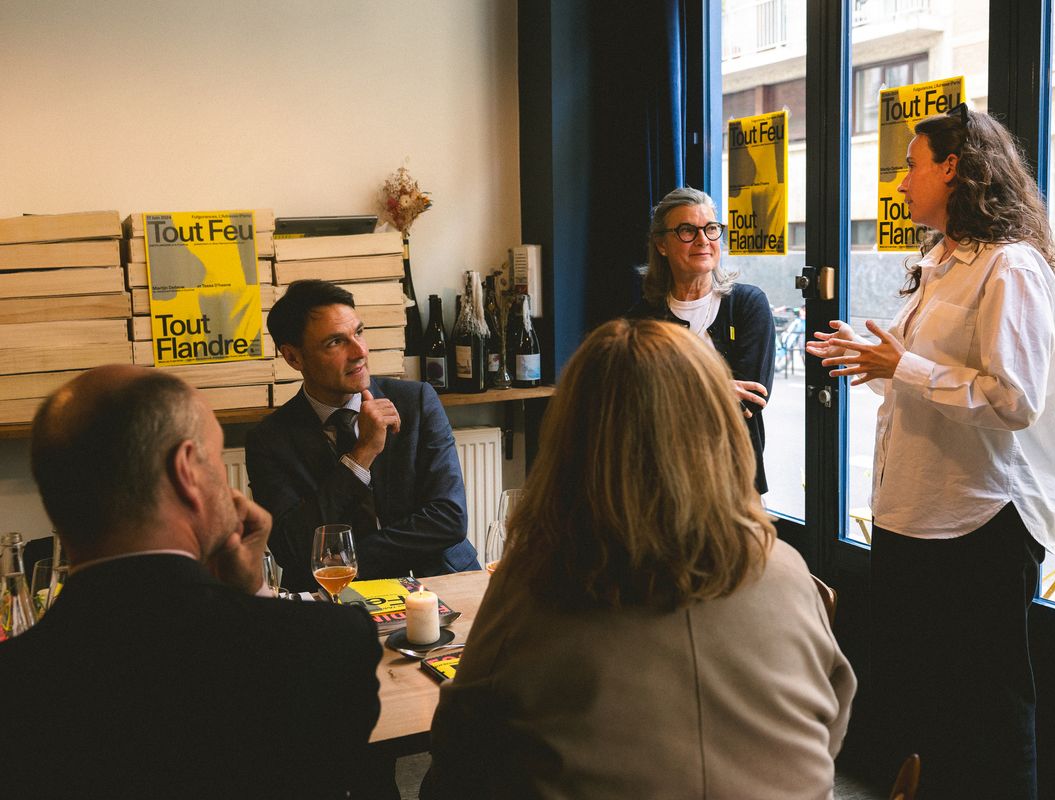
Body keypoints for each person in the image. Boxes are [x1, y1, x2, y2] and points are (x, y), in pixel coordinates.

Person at [421, 319, 855, 800]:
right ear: (718, 428)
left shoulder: (536, 582)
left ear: (571, 441)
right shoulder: (784, 568)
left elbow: (459, 751)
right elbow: (829, 724)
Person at [806, 103, 1055, 799]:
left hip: (977, 524)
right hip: (915, 519)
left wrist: (905, 369)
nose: (900, 184)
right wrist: (874, 360)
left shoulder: (1011, 268)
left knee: (990, 715)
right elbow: (915, 382)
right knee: (931, 708)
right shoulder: (939, 264)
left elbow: (1014, 401)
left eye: (911, 166)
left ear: (954, 169)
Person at [0, 366, 381, 799]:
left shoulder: (15, 684)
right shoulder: (325, 643)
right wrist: (253, 593)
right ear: (187, 471)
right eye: (216, 459)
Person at [246, 279, 478, 592]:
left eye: (359, 332)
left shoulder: (417, 402)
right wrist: (361, 455)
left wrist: (344, 558)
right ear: (293, 358)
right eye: (335, 343)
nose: (360, 352)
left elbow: (449, 519)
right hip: (333, 597)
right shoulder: (270, 439)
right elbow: (293, 547)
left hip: (437, 580)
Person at [628, 186, 776, 493]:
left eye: (711, 229)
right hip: (660, 480)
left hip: (733, 478)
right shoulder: (642, 319)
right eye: (687, 230)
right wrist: (720, 388)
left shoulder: (747, 304)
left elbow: (751, 400)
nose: (703, 240)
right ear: (662, 245)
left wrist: (670, 389)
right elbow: (636, 404)